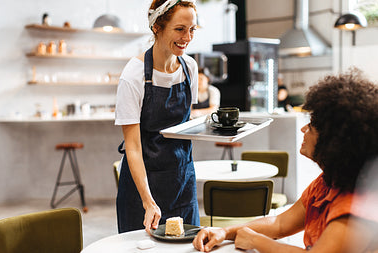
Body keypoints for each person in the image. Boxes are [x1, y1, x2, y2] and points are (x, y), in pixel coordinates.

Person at [193, 68, 378, 252]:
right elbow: (279, 223)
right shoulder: (326, 183)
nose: (303, 129)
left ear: (333, 140)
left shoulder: (355, 207)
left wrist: (256, 241)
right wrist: (224, 232)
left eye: (312, 126)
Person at [114, 0, 200, 234]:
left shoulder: (190, 68)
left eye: (192, 29)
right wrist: (148, 200)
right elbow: (132, 147)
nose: (187, 37)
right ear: (157, 27)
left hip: (183, 181)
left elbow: (184, 125)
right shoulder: (133, 76)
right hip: (143, 186)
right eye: (180, 29)